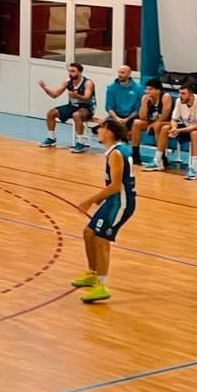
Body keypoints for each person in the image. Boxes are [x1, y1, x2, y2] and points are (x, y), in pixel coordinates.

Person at [71, 118, 136, 304]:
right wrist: (101, 197)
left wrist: (89, 201)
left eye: (101, 128)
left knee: (101, 239)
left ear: (109, 132)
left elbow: (116, 186)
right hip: (113, 199)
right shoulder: (115, 151)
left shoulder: (116, 154)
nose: (98, 131)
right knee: (89, 232)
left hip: (120, 202)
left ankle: (102, 285)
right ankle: (92, 273)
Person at [164, 80, 197, 180]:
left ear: (191, 94)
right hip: (188, 125)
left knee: (195, 134)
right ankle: (159, 160)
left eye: (183, 93)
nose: (180, 96)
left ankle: (194, 168)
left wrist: (179, 131)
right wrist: (174, 128)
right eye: (179, 93)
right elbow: (174, 119)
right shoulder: (179, 101)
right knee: (165, 128)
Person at [38, 63, 96, 152]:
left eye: (73, 71)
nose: (70, 73)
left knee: (76, 115)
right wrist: (45, 88)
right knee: (51, 113)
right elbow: (55, 95)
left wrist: (76, 96)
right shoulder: (67, 82)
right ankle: (51, 138)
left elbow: (87, 98)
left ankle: (81, 143)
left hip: (86, 107)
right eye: (69, 71)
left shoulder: (88, 83)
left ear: (80, 72)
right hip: (72, 106)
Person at [133, 77, 174, 170]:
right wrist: (144, 103)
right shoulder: (146, 98)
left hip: (168, 121)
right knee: (136, 123)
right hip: (153, 122)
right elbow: (142, 117)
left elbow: (165, 114)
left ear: (158, 91)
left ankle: (162, 157)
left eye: (150, 89)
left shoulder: (165, 96)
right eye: (146, 88)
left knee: (158, 126)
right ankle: (135, 153)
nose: (147, 91)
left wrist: (154, 123)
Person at [104, 65, 143, 146]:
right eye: (119, 72)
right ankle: (112, 150)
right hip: (116, 115)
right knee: (106, 127)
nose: (119, 75)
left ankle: (134, 152)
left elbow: (137, 109)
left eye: (122, 73)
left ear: (129, 74)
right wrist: (117, 118)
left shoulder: (138, 88)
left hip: (131, 116)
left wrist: (127, 119)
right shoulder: (111, 88)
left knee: (133, 128)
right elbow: (109, 107)